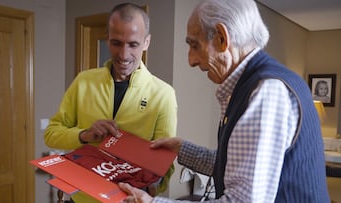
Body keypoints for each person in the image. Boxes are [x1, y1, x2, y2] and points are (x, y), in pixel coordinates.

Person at [118, 0, 330, 202]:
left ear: (221, 37)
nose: (191, 60)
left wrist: (153, 202)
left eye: (194, 45)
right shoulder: (262, 83)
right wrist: (181, 148)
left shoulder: (266, 92)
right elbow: (237, 166)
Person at [44, 3, 178, 203]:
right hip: (81, 199)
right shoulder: (83, 81)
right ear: (107, 39)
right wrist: (84, 135)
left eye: (133, 44)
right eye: (116, 43)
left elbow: (165, 164)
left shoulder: (163, 94)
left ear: (147, 42)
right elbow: (51, 134)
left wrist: (149, 189)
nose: (123, 55)